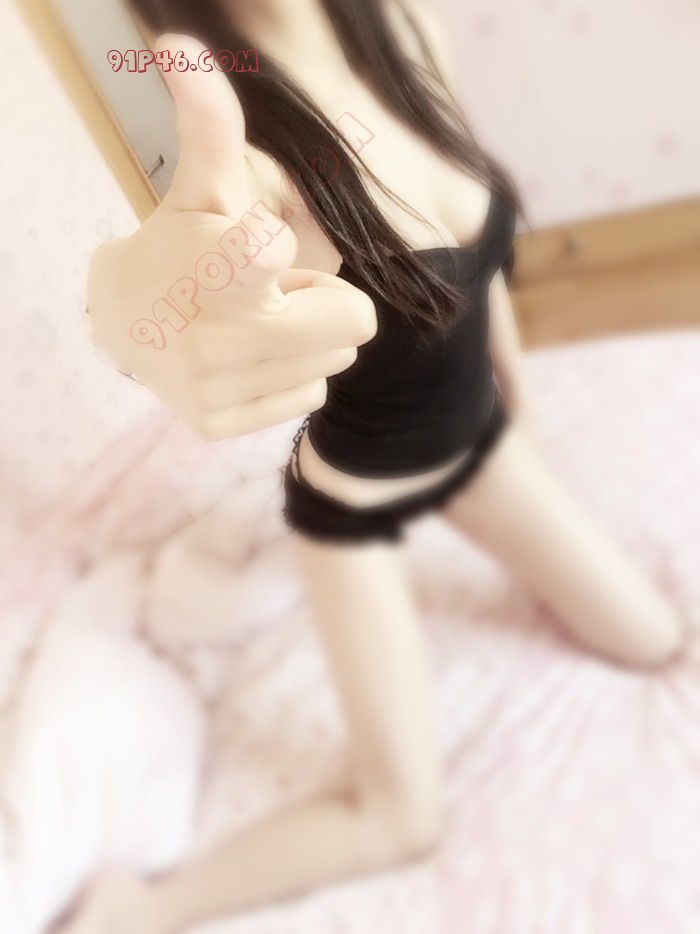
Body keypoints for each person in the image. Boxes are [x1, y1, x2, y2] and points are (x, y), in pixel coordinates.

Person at [66, 1, 685, 930]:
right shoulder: (253, 148)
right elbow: (158, 279)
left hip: (478, 446)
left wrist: (517, 397)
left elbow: (478, 265)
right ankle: (140, 909)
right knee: (399, 820)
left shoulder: (403, 24)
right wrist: (128, 314)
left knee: (650, 639)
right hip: (356, 499)